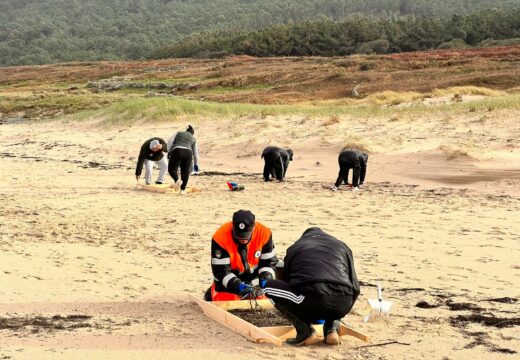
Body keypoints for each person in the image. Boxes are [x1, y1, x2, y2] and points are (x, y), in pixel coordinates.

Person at [261, 227, 360, 346]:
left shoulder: (295, 248)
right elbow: (355, 287)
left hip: (313, 298)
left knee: (268, 287)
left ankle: (305, 332)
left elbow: (288, 283)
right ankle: (331, 329)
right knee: (336, 293)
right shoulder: (343, 247)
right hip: (343, 303)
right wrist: (343, 310)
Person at [204, 210, 278, 302]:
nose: (242, 239)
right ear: (233, 227)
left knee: (264, 298)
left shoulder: (264, 233)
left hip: (252, 275)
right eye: (239, 235)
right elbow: (221, 271)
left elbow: (269, 262)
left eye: (245, 236)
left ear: (253, 228)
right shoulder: (220, 237)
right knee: (226, 300)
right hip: (230, 276)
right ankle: (213, 290)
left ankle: (249, 287)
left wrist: (266, 280)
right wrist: (238, 286)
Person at [167, 125, 200, 194]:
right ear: (192, 133)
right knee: (185, 173)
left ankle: (176, 180)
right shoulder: (193, 138)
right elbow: (196, 153)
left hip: (177, 150)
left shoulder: (178, 133)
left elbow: (170, 141)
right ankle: (183, 190)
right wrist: (196, 164)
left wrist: (169, 151)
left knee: (172, 170)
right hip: (188, 153)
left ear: (186, 131)